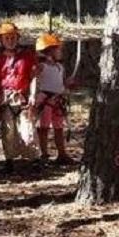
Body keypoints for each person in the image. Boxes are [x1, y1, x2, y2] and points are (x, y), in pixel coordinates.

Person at [0, 21, 38, 167]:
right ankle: (9, 159)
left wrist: (33, 95)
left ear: (17, 38)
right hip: (6, 98)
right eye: (6, 38)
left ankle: (33, 158)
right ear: (1, 40)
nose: (10, 41)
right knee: (8, 130)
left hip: (23, 97)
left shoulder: (27, 57)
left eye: (12, 37)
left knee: (27, 129)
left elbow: (33, 76)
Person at [31, 32, 70, 165]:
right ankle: (43, 153)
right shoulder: (42, 66)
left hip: (57, 100)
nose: (60, 51)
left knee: (59, 128)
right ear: (50, 51)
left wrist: (67, 86)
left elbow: (62, 83)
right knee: (44, 128)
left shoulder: (60, 67)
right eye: (58, 49)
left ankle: (62, 153)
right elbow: (33, 78)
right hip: (45, 100)